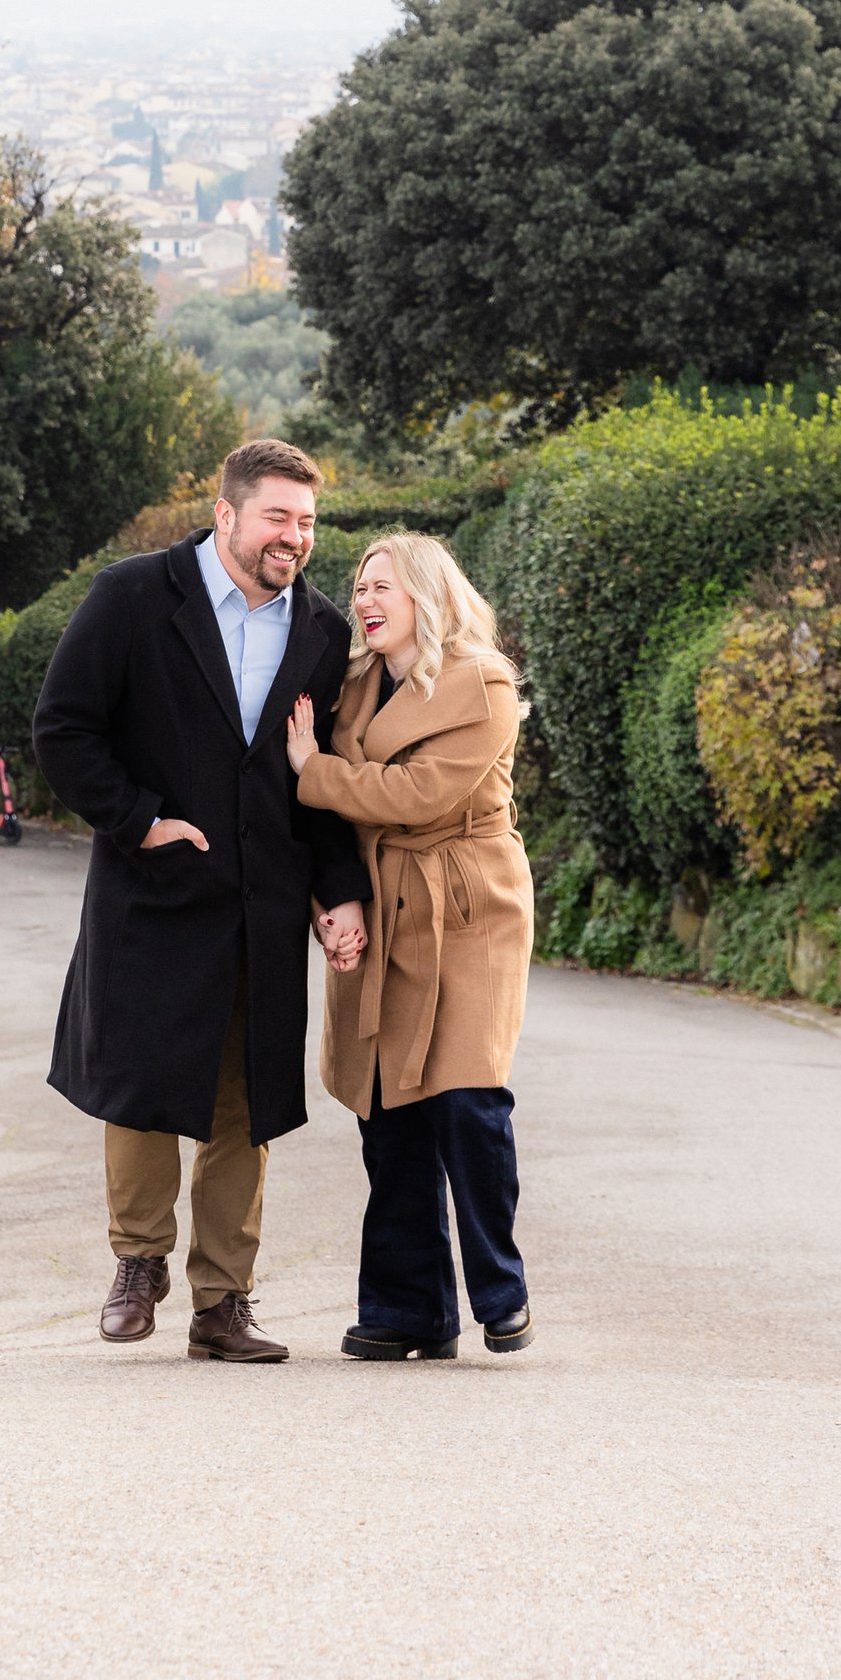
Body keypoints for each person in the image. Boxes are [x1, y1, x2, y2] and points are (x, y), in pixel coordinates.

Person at [32, 438, 369, 1362]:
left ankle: (223, 1303)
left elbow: (317, 779)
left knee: (244, 1104)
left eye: (307, 522)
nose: (294, 537)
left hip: (265, 904)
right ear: (225, 514)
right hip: (152, 891)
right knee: (142, 1085)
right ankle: (138, 1261)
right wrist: (140, 821)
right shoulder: (133, 595)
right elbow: (64, 728)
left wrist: (338, 892)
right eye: (276, 517)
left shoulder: (322, 631)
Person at [285, 531, 536, 1360]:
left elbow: (419, 796)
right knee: (387, 1108)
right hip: (381, 893)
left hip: (467, 904)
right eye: (359, 587)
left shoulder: (484, 682)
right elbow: (331, 821)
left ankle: (500, 1291)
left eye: (381, 586)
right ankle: (407, 1309)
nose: (363, 600)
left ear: (426, 594)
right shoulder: (353, 685)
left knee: (466, 1097)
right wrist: (334, 901)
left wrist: (313, 769)